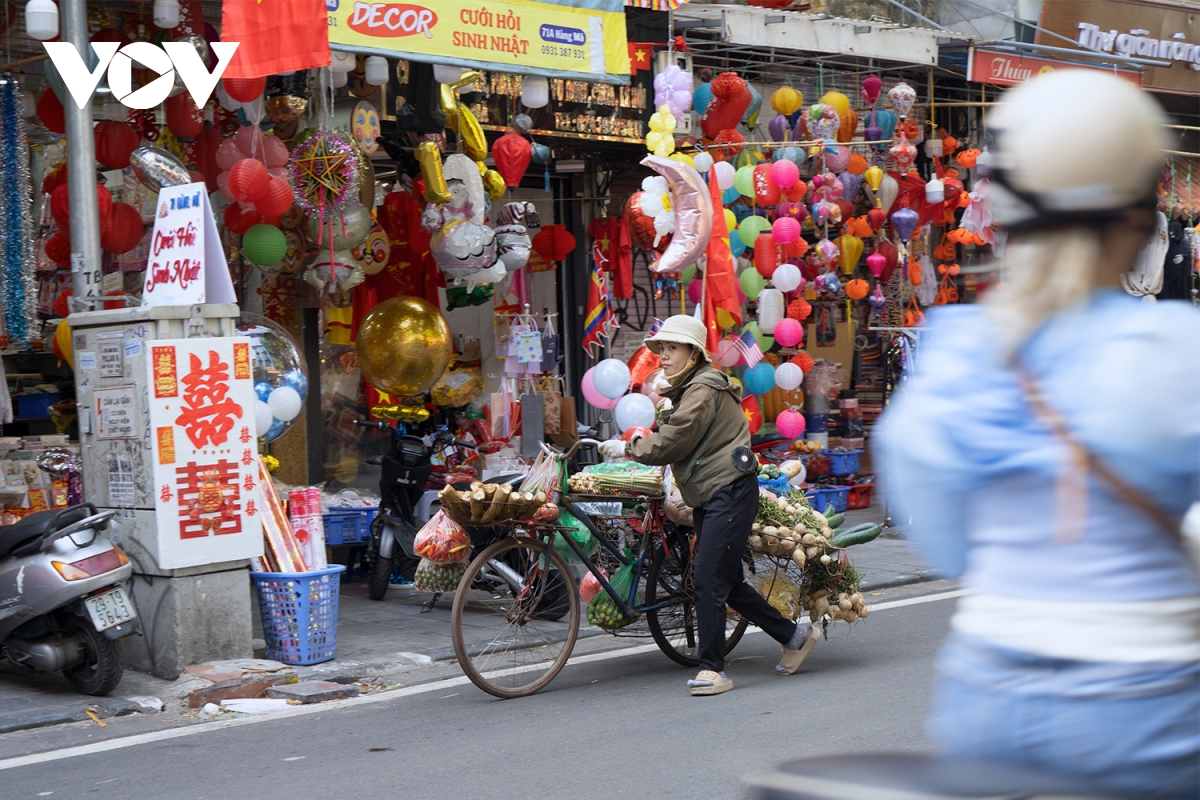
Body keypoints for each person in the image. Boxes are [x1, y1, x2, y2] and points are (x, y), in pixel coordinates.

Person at [878, 70, 1199, 799]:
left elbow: (945, 534)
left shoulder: (956, 349)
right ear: (1136, 224)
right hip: (1146, 710)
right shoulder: (1173, 349)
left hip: (985, 695)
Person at [598, 315, 818, 696]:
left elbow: (675, 439)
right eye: (662, 349)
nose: (664, 356)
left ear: (693, 352)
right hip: (713, 493)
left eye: (672, 348)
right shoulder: (687, 388)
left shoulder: (701, 388)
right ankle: (795, 636)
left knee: (708, 580)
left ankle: (713, 668)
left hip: (728, 491)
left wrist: (629, 448)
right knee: (727, 582)